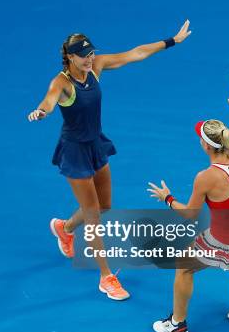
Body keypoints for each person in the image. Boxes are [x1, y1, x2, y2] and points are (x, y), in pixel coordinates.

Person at [28, 21, 192, 300]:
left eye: (91, 52)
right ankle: (106, 277)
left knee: (104, 206)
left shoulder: (96, 67)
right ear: (70, 57)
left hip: (95, 144)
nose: (90, 58)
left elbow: (136, 53)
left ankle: (64, 228)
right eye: (84, 55)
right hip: (75, 151)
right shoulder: (62, 83)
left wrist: (171, 40)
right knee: (92, 215)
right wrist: (41, 112)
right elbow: (49, 101)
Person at [147, 87, 229, 332]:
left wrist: (168, 198)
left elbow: (190, 214)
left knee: (184, 266)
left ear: (207, 146)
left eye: (200, 138)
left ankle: (177, 323)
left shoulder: (206, 177)